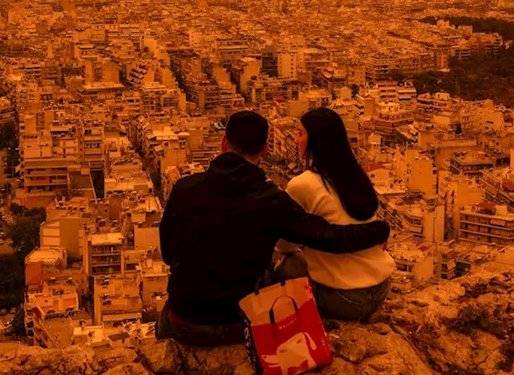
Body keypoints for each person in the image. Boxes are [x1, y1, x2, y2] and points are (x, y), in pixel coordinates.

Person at [158, 110, 391, 346]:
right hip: (240, 323)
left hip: (182, 322)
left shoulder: (184, 188)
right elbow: (330, 237)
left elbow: (168, 254)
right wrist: (379, 230)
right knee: (278, 263)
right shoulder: (270, 201)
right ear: (266, 148)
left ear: (223, 143)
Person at [276, 108, 395, 321]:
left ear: (316, 141)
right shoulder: (357, 177)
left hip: (343, 300)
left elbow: (284, 245)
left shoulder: (302, 185)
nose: (296, 141)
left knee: (280, 259)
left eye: (301, 134)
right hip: (380, 291)